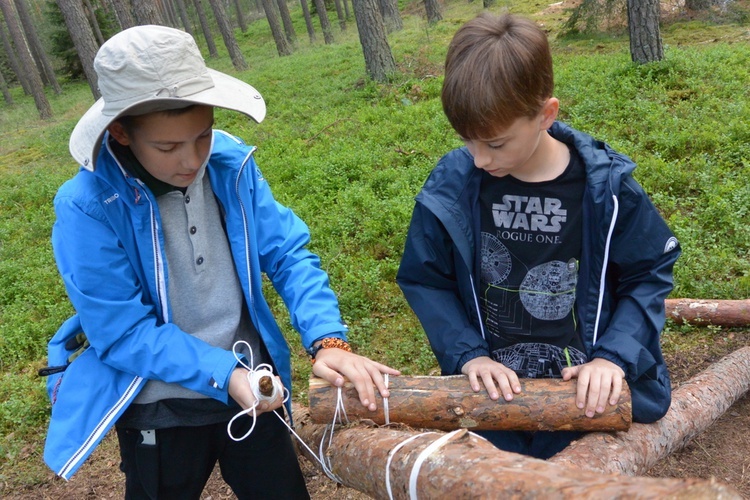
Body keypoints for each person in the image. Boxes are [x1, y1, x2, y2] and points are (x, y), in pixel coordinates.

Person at [42, 25, 399, 498]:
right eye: (167, 148)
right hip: (160, 404)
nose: (192, 160)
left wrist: (328, 340)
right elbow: (123, 332)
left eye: (202, 135)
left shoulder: (230, 164)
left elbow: (288, 253)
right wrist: (225, 374)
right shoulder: (87, 207)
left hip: (254, 387)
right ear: (120, 131)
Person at [396, 13, 680, 459]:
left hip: (585, 392)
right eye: (467, 140)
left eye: (495, 143)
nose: (479, 158)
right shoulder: (452, 185)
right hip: (493, 389)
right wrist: (468, 354)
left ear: (546, 114)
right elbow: (425, 279)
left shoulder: (606, 189)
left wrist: (613, 357)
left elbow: (647, 275)